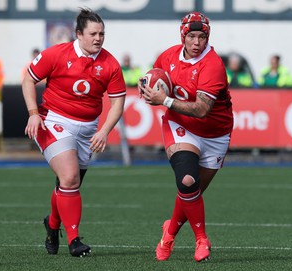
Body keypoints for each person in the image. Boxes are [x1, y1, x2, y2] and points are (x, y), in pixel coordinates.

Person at [22, 7, 126, 257]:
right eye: (93, 33)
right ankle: (74, 240)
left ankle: (52, 224)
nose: (98, 38)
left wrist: (104, 131)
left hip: (88, 129)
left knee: (66, 184)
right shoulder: (56, 54)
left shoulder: (110, 63)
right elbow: (28, 79)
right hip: (54, 120)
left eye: (102, 33)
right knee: (70, 178)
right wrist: (34, 113)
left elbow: (118, 103)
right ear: (78, 34)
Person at [138, 12, 233, 262]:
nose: (196, 42)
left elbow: (202, 109)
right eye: (191, 36)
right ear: (183, 36)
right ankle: (202, 239)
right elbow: (153, 81)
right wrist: (146, 89)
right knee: (188, 180)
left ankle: (168, 233)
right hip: (180, 126)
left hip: (215, 134)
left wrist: (165, 100)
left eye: (202, 37)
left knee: (191, 191)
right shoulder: (168, 56)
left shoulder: (212, 64)